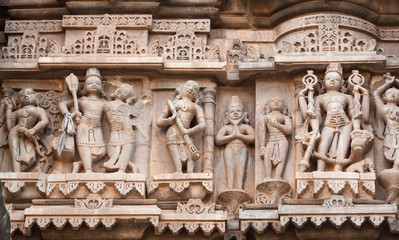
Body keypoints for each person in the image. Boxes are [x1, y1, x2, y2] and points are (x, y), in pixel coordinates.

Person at [59, 68, 107, 173]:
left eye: (97, 83)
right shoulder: (81, 100)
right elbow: (63, 104)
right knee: (84, 147)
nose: (94, 85)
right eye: (90, 83)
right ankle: (88, 169)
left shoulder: (103, 102)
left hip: (97, 127)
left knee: (101, 151)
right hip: (83, 126)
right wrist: (69, 115)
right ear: (84, 87)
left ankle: (79, 164)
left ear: (102, 87)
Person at [156, 80, 206, 173]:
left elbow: (203, 125)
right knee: (177, 157)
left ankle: (190, 172)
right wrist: (170, 120)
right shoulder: (173, 104)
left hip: (187, 133)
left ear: (196, 95)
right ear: (182, 88)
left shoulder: (196, 107)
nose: (191, 89)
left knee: (191, 154)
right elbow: (159, 122)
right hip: (173, 132)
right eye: (188, 85)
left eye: (195, 89)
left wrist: (189, 131)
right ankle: (178, 170)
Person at [5, 88, 49, 172]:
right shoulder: (18, 111)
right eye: (22, 96)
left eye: (29, 93)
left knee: (31, 157)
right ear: (19, 101)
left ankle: (21, 171)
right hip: (15, 132)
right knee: (15, 154)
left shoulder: (39, 110)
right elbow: (10, 127)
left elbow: (45, 121)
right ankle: (16, 173)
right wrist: (9, 108)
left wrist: (33, 130)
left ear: (35, 97)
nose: (26, 96)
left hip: (29, 133)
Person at [215, 96, 255, 190]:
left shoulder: (245, 127)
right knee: (230, 167)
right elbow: (218, 140)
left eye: (238, 111)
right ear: (227, 115)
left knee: (241, 168)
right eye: (232, 111)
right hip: (229, 148)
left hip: (242, 148)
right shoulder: (226, 128)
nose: (235, 113)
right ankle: (230, 187)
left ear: (244, 114)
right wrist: (232, 136)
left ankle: (239, 187)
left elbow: (253, 138)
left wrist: (240, 136)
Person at [104, 83, 138, 173]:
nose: (119, 90)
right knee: (112, 152)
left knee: (126, 150)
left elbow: (136, 112)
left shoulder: (126, 106)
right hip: (114, 130)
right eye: (119, 88)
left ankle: (122, 170)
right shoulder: (107, 104)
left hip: (126, 131)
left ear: (127, 97)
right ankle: (132, 166)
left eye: (124, 91)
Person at [259, 96, 292, 179]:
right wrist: (262, 145)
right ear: (268, 106)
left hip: (282, 139)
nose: (276, 102)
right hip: (271, 139)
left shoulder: (285, 117)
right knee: (267, 156)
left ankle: (278, 176)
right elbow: (262, 131)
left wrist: (278, 125)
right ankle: (268, 176)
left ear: (284, 106)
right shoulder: (265, 117)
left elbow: (289, 130)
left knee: (282, 157)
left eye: (279, 101)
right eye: (273, 101)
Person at [374, 74, 399, 169]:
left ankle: (396, 166)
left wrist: (396, 82)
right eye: (390, 93)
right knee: (388, 152)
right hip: (388, 133)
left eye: (396, 94)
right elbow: (376, 93)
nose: (393, 95)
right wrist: (388, 84)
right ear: (384, 96)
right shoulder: (383, 107)